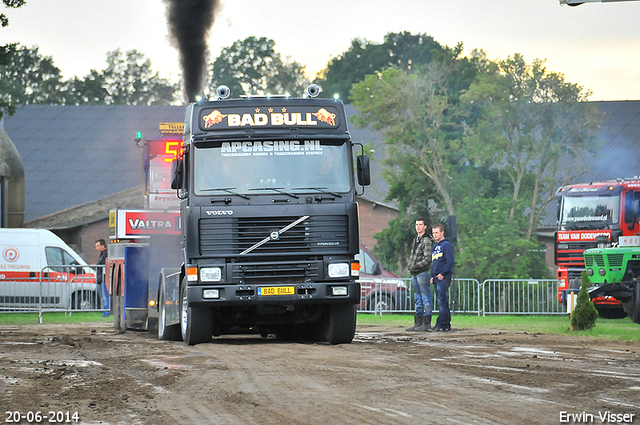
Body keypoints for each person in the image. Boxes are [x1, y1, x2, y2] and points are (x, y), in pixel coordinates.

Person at [405, 218, 433, 332]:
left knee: (425, 297)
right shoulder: (416, 239)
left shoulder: (426, 240)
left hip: (422, 272)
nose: (418, 227)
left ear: (425, 226)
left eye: (420, 225)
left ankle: (426, 323)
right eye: (417, 224)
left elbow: (427, 259)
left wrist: (415, 266)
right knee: (418, 298)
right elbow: (413, 255)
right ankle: (418, 323)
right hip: (415, 273)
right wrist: (410, 265)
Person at [430, 223, 455, 332]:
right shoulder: (435, 247)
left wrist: (443, 273)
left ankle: (442, 323)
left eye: (436, 232)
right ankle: (445, 323)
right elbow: (434, 263)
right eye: (433, 233)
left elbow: (450, 261)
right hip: (436, 277)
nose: (434, 235)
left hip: (443, 278)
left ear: (442, 232)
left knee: (442, 300)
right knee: (442, 300)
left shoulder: (446, 245)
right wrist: (432, 275)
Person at [95, 239, 110, 317]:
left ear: (102, 246)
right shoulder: (102, 254)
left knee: (105, 297)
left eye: (97, 246)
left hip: (104, 279)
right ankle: (105, 312)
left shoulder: (105, 254)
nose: (96, 248)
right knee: (104, 297)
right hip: (101, 279)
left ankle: (106, 313)